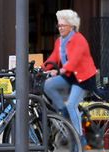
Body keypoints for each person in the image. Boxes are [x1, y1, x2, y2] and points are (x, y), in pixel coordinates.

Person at [42, 9, 98, 138]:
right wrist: (42, 68)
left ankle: (79, 138)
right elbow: (53, 58)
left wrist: (61, 70)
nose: (60, 28)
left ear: (72, 26)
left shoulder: (79, 39)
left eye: (63, 25)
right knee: (48, 85)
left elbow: (74, 60)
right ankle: (63, 111)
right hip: (70, 76)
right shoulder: (59, 41)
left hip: (83, 78)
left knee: (72, 104)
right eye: (59, 25)